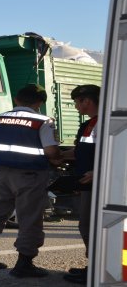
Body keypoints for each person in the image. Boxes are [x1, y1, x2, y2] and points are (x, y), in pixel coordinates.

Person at [0, 84, 63, 278]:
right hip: (30, 176)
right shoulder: (43, 121)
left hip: (1, 173)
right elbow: (51, 151)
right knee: (30, 218)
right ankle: (24, 263)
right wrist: (59, 158)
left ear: (16, 100)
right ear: (39, 103)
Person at [61, 84, 100, 285]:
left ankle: (97, 269)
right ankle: (94, 266)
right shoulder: (87, 125)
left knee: (91, 226)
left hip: (101, 185)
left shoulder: (108, 123)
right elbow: (80, 152)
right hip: (87, 183)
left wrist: (98, 172)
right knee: (87, 226)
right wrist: (56, 156)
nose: (76, 106)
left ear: (87, 101)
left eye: (77, 102)